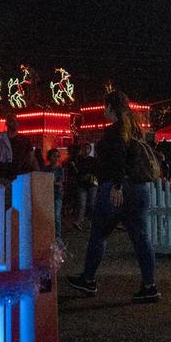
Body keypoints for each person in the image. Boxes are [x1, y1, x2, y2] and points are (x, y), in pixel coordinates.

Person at [65, 90, 159, 303]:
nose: (103, 110)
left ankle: (88, 279)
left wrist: (116, 185)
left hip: (117, 188)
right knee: (141, 238)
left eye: (105, 106)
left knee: (99, 233)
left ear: (111, 108)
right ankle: (149, 285)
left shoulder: (114, 132)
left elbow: (118, 157)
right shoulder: (136, 130)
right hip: (139, 189)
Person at [46, 148, 65, 237]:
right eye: (54, 156)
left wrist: (54, 183)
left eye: (57, 156)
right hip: (48, 194)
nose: (56, 158)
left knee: (56, 214)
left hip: (57, 194)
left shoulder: (60, 170)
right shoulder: (45, 169)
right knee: (49, 214)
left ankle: (58, 234)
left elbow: (61, 182)